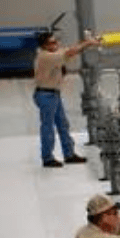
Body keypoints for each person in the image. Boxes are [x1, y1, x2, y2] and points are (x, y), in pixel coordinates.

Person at [33, 30, 100, 168]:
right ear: (44, 45)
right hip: (46, 95)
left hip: (53, 94)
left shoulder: (51, 53)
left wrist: (85, 43)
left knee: (63, 124)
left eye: (56, 41)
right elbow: (69, 52)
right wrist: (88, 43)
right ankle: (47, 157)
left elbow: (70, 50)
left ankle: (69, 154)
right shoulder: (45, 57)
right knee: (48, 127)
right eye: (52, 42)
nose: (56, 44)